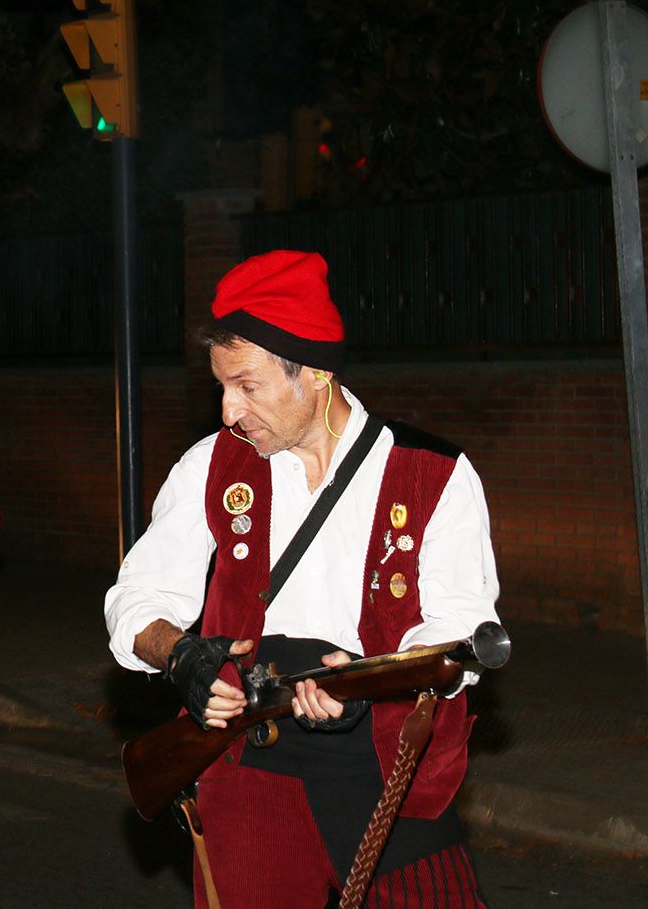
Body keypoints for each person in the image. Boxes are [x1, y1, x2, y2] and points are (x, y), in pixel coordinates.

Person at [104, 250, 501, 907]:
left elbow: (458, 630)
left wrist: (370, 676)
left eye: (248, 386)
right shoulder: (212, 465)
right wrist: (179, 653)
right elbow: (136, 598)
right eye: (221, 386)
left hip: (386, 769)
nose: (228, 409)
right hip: (249, 770)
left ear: (314, 371)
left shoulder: (435, 474)